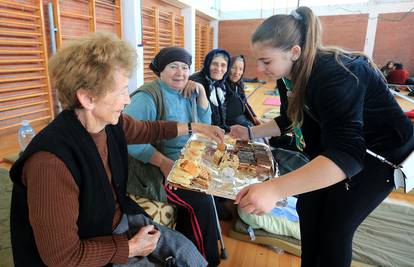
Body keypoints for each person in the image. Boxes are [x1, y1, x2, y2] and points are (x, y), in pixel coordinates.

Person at [9, 33, 225, 267]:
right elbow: (62, 257)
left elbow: (149, 129)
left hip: (117, 221)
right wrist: (130, 248)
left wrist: (197, 127)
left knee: (188, 253)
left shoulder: (110, 123)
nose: (127, 100)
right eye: (121, 91)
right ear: (87, 98)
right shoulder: (50, 164)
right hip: (93, 246)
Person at [230, 7, 414, 267]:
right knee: (308, 207)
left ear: (294, 52)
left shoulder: (336, 74)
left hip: (382, 157)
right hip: (340, 149)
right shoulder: (288, 74)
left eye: (266, 61)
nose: (259, 69)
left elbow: (347, 156)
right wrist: (250, 132)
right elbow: (289, 118)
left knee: (335, 228)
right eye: (257, 60)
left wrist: (273, 188)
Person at [124, 46, 221, 266]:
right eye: (173, 67)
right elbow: (126, 139)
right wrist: (162, 162)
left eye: (185, 67)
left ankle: (194, 251)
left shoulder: (186, 92)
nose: (180, 72)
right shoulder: (147, 97)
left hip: (185, 162)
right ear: (160, 71)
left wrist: (202, 94)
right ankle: (206, 261)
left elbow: (203, 128)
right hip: (152, 167)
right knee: (201, 200)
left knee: (216, 183)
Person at [189, 49, 231, 132]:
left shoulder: (221, 83)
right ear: (207, 64)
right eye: (214, 64)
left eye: (223, 65)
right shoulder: (195, 82)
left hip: (219, 132)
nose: (219, 69)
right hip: (201, 134)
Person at [225, 55, 261, 127]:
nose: (237, 72)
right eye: (233, 68)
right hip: (233, 124)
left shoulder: (239, 84)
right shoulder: (222, 86)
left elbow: (245, 102)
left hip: (242, 119)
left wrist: (254, 116)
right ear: (227, 68)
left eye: (241, 69)